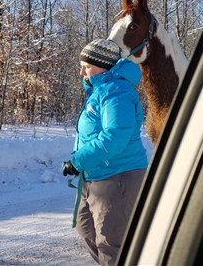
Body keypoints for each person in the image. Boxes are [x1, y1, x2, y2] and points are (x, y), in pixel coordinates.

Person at [62, 39, 149, 266]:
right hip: (94, 175)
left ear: (103, 65)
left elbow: (114, 138)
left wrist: (78, 161)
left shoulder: (117, 91)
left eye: (87, 65)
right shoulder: (98, 90)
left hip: (118, 175)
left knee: (111, 244)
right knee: (86, 231)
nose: (82, 71)